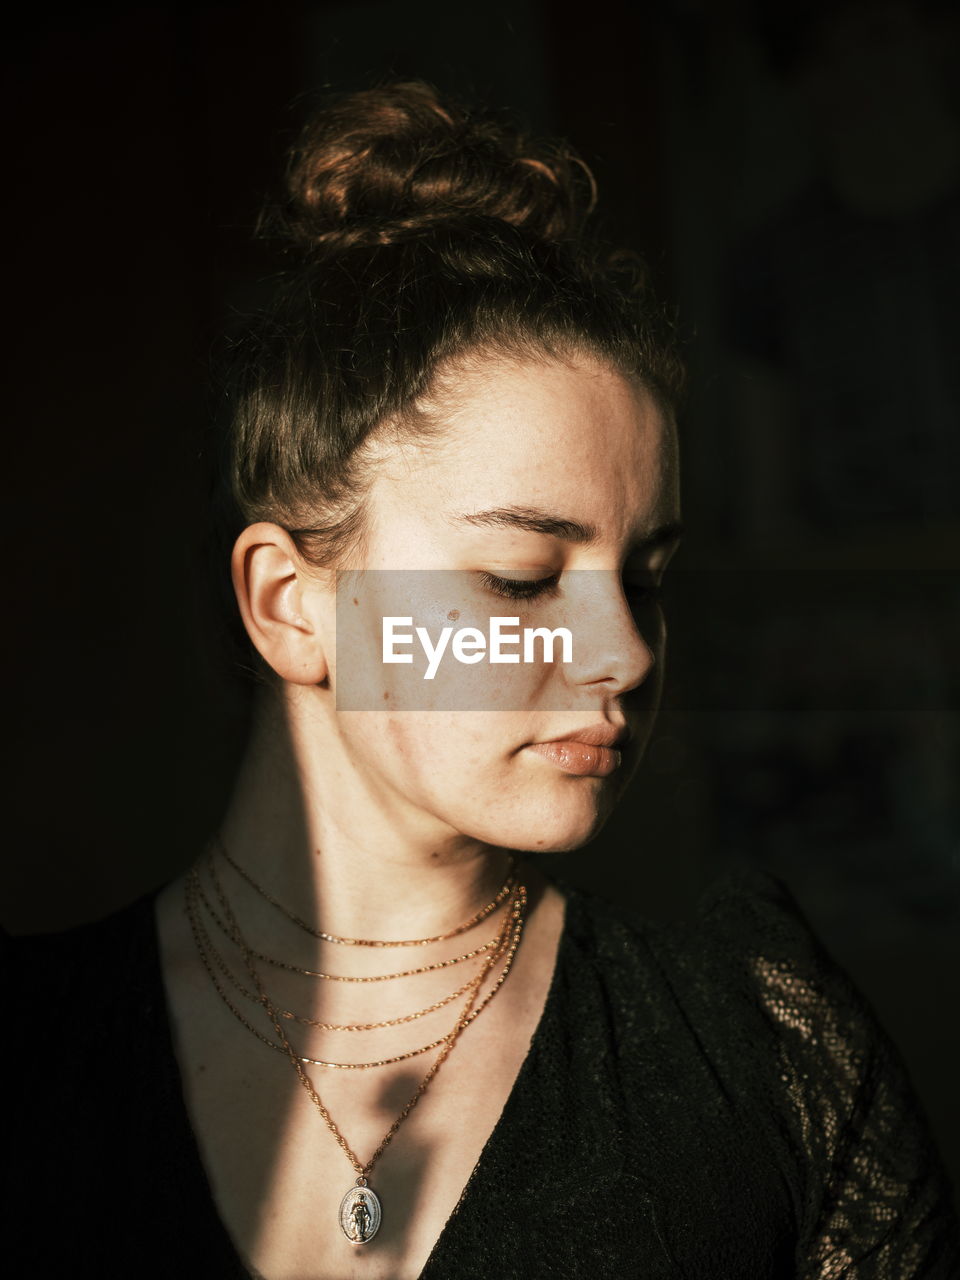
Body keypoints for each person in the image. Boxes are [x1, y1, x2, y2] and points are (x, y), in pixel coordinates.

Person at [4, 80, 958, 1279]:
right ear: (294, 608)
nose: (627, 652)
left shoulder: (764, 1047)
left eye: (646, 577)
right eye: (519, 576)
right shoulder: (31, 1062)